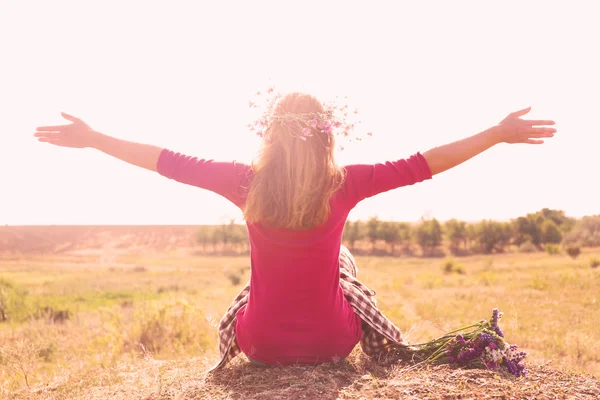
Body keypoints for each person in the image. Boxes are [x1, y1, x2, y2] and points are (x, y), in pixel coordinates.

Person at [34, 92, 555, 370]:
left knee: (253, 284)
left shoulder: (243, 182)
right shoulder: (346, 183)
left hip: (259, 345)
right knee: (343, 261)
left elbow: (164, 161)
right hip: (334, 343)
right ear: (327, 135)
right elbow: (427, 162)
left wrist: (95, 139)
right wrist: (497, 134)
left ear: (271, 133)